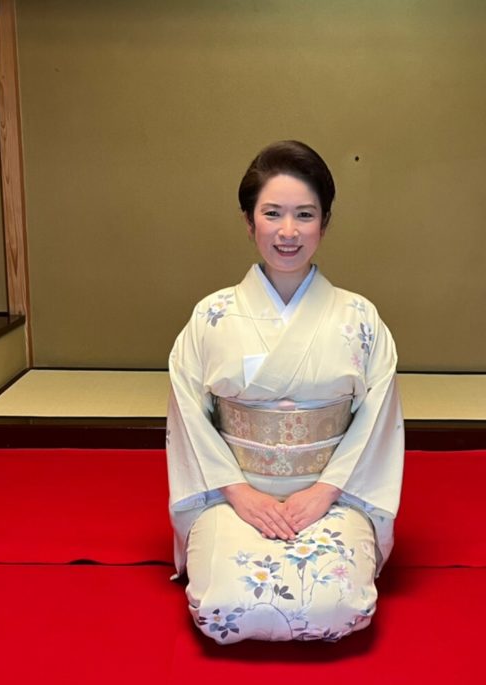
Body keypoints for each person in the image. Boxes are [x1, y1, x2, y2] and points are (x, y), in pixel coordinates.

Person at [166, 140, 404, 643]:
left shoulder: (359, 318)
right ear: (249, 221)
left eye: (305, 214)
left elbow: (376, 420)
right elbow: (189, 415)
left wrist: (324, 492)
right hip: (231, 498)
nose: (288, 231)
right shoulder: (212, 317)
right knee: (224, 607)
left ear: (325, 222)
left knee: (340, 607)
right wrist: (239, 493)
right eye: (272, 213)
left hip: (333, 498)